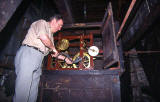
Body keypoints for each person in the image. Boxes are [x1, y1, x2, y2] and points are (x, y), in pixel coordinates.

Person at [13, 14, 72, 102]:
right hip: (29, 53)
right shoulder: (42, 23)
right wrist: (53, 48)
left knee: (32, 91)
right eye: (59, 25)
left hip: (38, 58)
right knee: (23, 89)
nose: (60, 28)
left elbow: (54, 53)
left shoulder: (51, 37)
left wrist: (66, 59)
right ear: (53, 21)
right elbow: (44, 38)